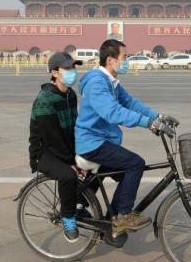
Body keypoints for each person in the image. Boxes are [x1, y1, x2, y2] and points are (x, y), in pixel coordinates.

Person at [75, 39, 177, 237]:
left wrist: (157, 117)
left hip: (102, 140)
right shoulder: (97, 82)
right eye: (125, 57)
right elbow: (112, 112)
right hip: (92, 142)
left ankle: (112, 222)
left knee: (126, 175)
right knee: (135, 164)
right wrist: (147, 123)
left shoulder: (111, 82)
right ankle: (123, 217)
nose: (127, 61)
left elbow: (130, 103)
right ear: (111, 60)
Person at [28, 52, 85, 242]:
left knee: (95, 163)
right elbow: (51, 137)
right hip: (44, 152)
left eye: (73, 68)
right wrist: (70, 161)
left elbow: (74, 127)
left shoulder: (70, 95)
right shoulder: (45, 99)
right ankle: (68, 217)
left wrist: (80, 154)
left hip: (65, 148)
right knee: (68, 175)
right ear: (54, 72)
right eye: (67, 69)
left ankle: (79, 203)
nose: (72, 72)